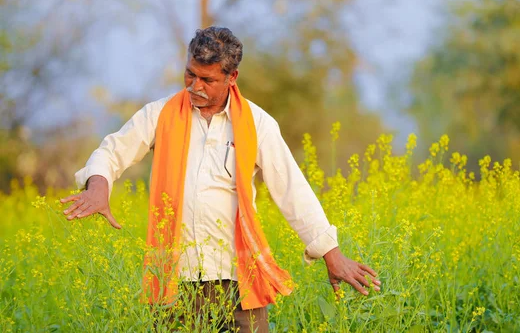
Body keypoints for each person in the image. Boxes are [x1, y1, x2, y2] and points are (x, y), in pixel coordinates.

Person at [60, 27, 380, 332]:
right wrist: (98, 185)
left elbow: (291, 189)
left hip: (240, 281)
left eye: (207, 79)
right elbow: (113, 150)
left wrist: (331, 253)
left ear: (232, 77)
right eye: (190, 74)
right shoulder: (161, 114)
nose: (194, 86)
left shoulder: (257, 124)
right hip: (175, 281)